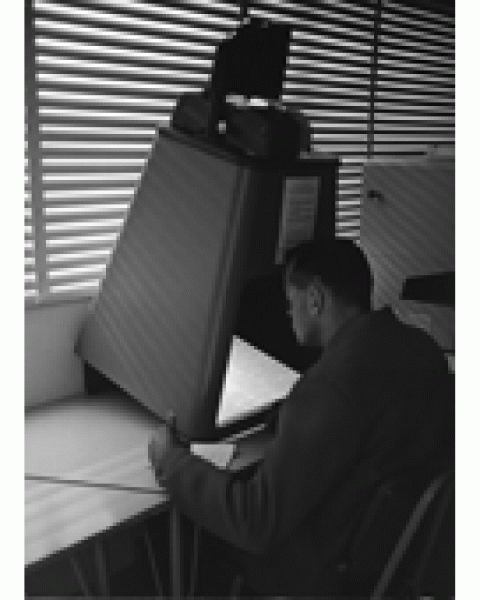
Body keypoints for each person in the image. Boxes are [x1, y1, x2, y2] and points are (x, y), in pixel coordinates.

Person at [148, 239, 454, 596]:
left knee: (187, 524)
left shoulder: (332, 386)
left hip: (328, 567)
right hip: (396, 556)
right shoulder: (423, 349)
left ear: (314, 298)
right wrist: (290, 414)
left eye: (291, 303)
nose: (288, 314)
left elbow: (255, 519)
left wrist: (171, 461)